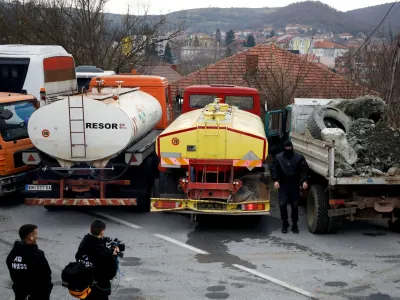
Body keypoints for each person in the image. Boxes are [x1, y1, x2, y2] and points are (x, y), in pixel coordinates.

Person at [6, 224, 53, 300]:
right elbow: (46, 275)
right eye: (35, 234)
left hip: (20, 293)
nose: (36, 237)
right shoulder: (38, 255)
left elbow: (13, 272)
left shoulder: (12, 254)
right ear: (30, 237)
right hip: (37, 294)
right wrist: (47, 290)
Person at [271, 140, 309, 234]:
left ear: (292, 148)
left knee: (295, 205)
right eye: (286, 148)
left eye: (289, 148)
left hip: (294, 185)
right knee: (282, 204)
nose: (288, 150)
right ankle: (285, 223)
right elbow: (274, 169)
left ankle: (295, 224)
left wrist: (305, 180)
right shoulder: (279, 157)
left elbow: (304, 169)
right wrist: (275, 180)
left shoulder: (299, 157)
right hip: (283, 185)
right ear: (284, 148)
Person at [75, 220, 119, 300]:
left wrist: (102, 241)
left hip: (84, 287)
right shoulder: (104, 252)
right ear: (102, 232)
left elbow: (81, 255)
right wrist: (114, 256)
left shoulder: (84, 243)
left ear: (90, 230)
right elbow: (111, 274)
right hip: (99, 289)